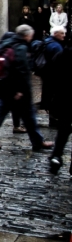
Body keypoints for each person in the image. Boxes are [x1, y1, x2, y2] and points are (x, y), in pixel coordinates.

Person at [0, 25, 53, 152]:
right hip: (16, 90)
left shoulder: (8, 43)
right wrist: (20, 90)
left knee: (0, 112)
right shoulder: (20, 47)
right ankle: (37, 142)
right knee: (28, 115)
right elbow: (21, 70)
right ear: (26, 35)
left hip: (5, 86)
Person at [48, 41, 72, 175]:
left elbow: (50, 79)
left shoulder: (60, 55)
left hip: (63, 99)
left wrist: (50, 100)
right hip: (64, 98)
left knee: (63, 129)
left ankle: (56, 156)